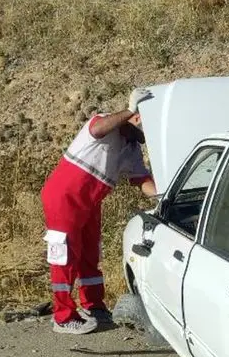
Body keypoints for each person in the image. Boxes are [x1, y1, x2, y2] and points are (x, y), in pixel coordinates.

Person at [41, 89, 157, 334]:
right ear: (134, 117)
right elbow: (98, 129)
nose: (140, 134)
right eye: (139, 123)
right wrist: (129, 110)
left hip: (91, 202)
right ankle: (63, 317)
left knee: (90, 255)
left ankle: (94, 307)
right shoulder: (104, 122)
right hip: (65, 197)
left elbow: (142, 181)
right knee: (64, 256)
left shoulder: (132, 147)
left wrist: (166, 193)